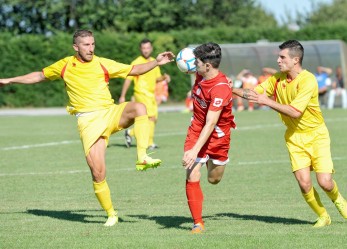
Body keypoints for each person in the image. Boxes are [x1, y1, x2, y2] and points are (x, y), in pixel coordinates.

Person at [0, 30, 175, 227]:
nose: (91, 49)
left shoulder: (102, 63)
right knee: (98, 172)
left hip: (109, 113)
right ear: (76, 47)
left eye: (93, 44)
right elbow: (40, 75)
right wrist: (10, 80)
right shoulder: (65, 65)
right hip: (88, 122)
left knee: (139, 107)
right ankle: (111, 214)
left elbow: (134, 69)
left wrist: (157, 62)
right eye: (86, 45)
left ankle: (142, 156)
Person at [236, 40, 347, 228]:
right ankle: (323, 216)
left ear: (296, 60)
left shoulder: (308, 80)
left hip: (316, 135)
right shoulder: (277, 79)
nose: (278, 61)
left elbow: (295, 111)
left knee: (325, 182)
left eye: (282, 57)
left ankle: (340, 202)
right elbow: (254, 93)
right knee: (304, 183)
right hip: (294, 137)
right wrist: (228, 87)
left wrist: (267, 101)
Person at [182, 42, 236, 233]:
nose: (193, 64)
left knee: (214, 180)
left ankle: (207, 161)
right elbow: (203, 123)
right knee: (192, 173)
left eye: (196, 61)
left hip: (218, 136)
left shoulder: (220, 87)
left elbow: (211, 123)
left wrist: (196, 150)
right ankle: (198, 222)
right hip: (196, 129)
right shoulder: (201, 72)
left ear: (208, 65)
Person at [119, 38, 167, 150]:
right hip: (140, 93)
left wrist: (164, 77)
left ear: (151, 49)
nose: (146, 50)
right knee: (150, 118)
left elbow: (157, 78)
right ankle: (149, 143)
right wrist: (122, 95)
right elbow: (128, 79)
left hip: (151, 95)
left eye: (148, 48)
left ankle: (131, 133)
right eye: (144, 48)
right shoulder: (136, 62)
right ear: (140, 49)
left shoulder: (155, 61)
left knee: (153, 119)